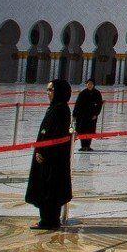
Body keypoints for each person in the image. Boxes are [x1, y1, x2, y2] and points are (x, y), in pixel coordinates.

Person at [25, 78, 73, 231]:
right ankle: (47, 219)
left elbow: (55, 135)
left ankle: (49, 221)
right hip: (49, 155)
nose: (48, 93)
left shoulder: (60, 110)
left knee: (50, 188)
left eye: (51, 90)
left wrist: (44, 152)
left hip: (52, 158)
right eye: (48, 90)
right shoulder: (55, 108)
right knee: (47, 188)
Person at [74, 78, 104, 152]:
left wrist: (96, 114)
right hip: (82, 116)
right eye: (88, 84)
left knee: (90, 130)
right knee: (82, 130)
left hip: (92, 116)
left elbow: (99, 105)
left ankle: (88, 146)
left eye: (91, 84)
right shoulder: (82, 93)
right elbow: (77, 104)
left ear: (93, 85)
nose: (89, 85)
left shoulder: (97, 93)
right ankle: (83, 146)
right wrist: (75, 114)